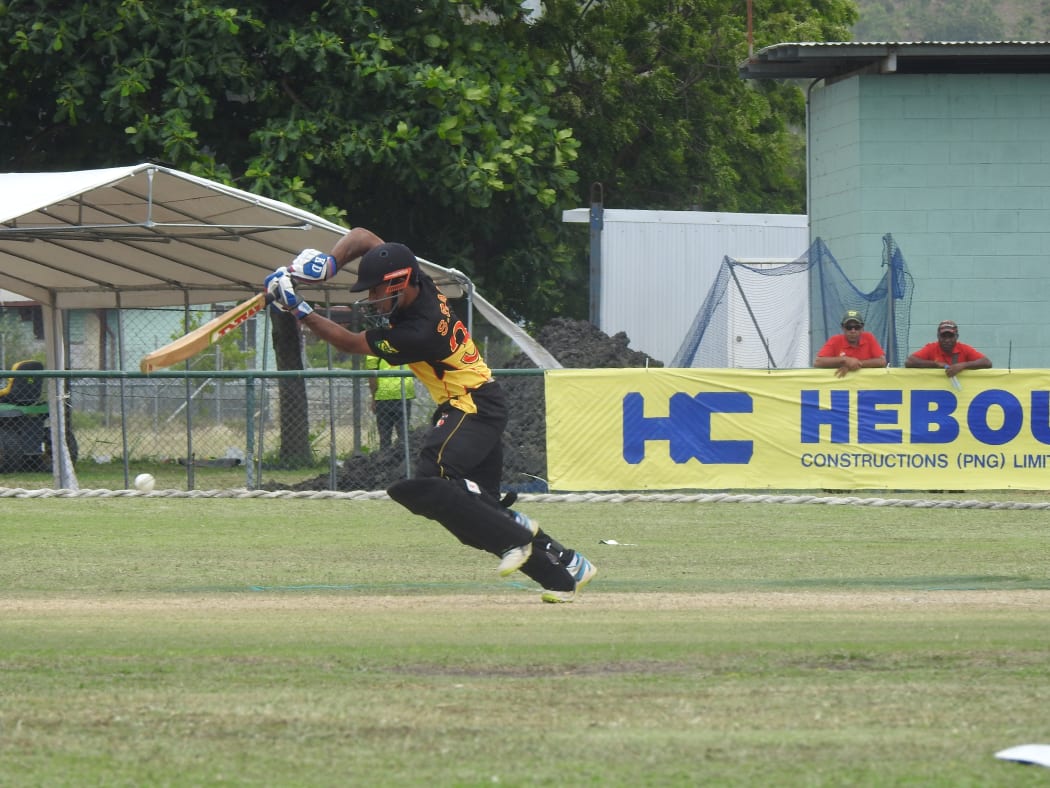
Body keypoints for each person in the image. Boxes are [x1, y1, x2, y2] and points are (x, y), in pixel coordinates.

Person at [263, 228, 596, 603]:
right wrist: (329, 264)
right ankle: (565, 569)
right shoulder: (418, 279)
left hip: (471, 405)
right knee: (474, 522)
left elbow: (350, 343)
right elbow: (363, 236)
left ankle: (516, 536)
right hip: (474, 402)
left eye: (377, 291)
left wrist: (298, 309)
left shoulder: (418, 332)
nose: (372, 299)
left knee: (433, 478)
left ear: (400, 283)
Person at [814, 310, 888, 378]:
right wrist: (844, 360)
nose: (853, 331)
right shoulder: (835, 340)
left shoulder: (869, 337)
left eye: (857, 327)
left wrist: (855, 364)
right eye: (849, 327)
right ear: (843, 328)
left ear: (862, 328)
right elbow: (818, 362)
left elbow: (882, 362)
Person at [362, 355, 414, 450]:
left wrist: (374, 398)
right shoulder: (406, 342)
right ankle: (404, 461)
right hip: (403, 393)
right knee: (404, 437)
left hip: (384, 395)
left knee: (385, 437)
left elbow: (372, 377)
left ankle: (385, 460)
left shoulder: (373, 348)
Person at [905, 320, 992, 377]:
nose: (947, 340)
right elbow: (909, 362)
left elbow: (987, 363)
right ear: (938, 336)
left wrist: (963, 365)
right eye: (943, 336)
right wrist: (936, 364)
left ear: (957, 337)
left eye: (951, 336)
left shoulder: (964, 348)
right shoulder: (931, 348)